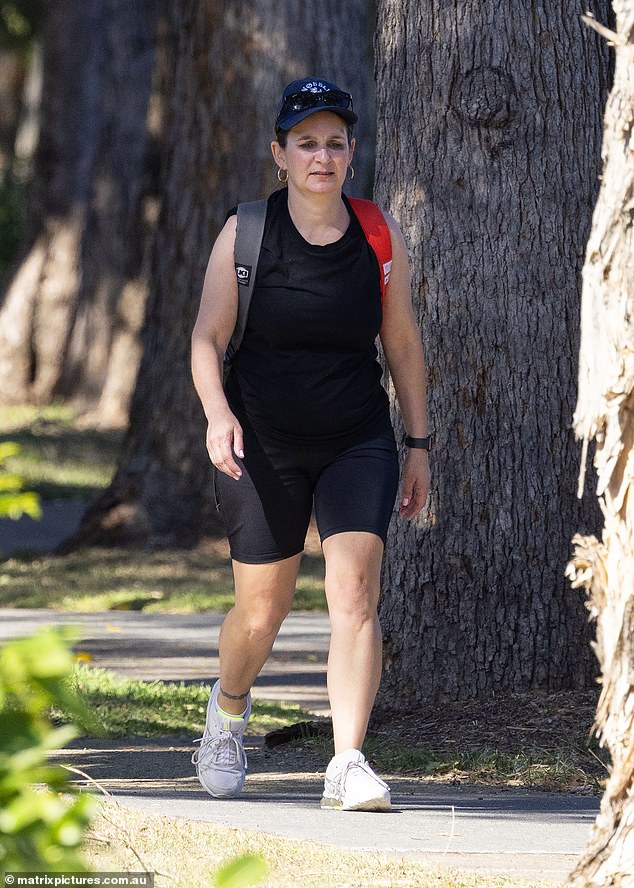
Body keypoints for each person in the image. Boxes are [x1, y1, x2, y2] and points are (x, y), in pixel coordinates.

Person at [190, 76, 430, 812]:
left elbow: (402, 342)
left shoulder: (376, 234)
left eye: (334, 143)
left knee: (356, 591)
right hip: (261, 441)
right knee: (262, 611)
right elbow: (207, 337)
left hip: (357, 436)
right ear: (280, 153)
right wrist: (215, 414)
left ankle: (349, 761)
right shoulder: (248, 232)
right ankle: (227, 713)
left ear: (350, 152)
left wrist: (417, 439)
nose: (321, 156)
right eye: (306, 143)